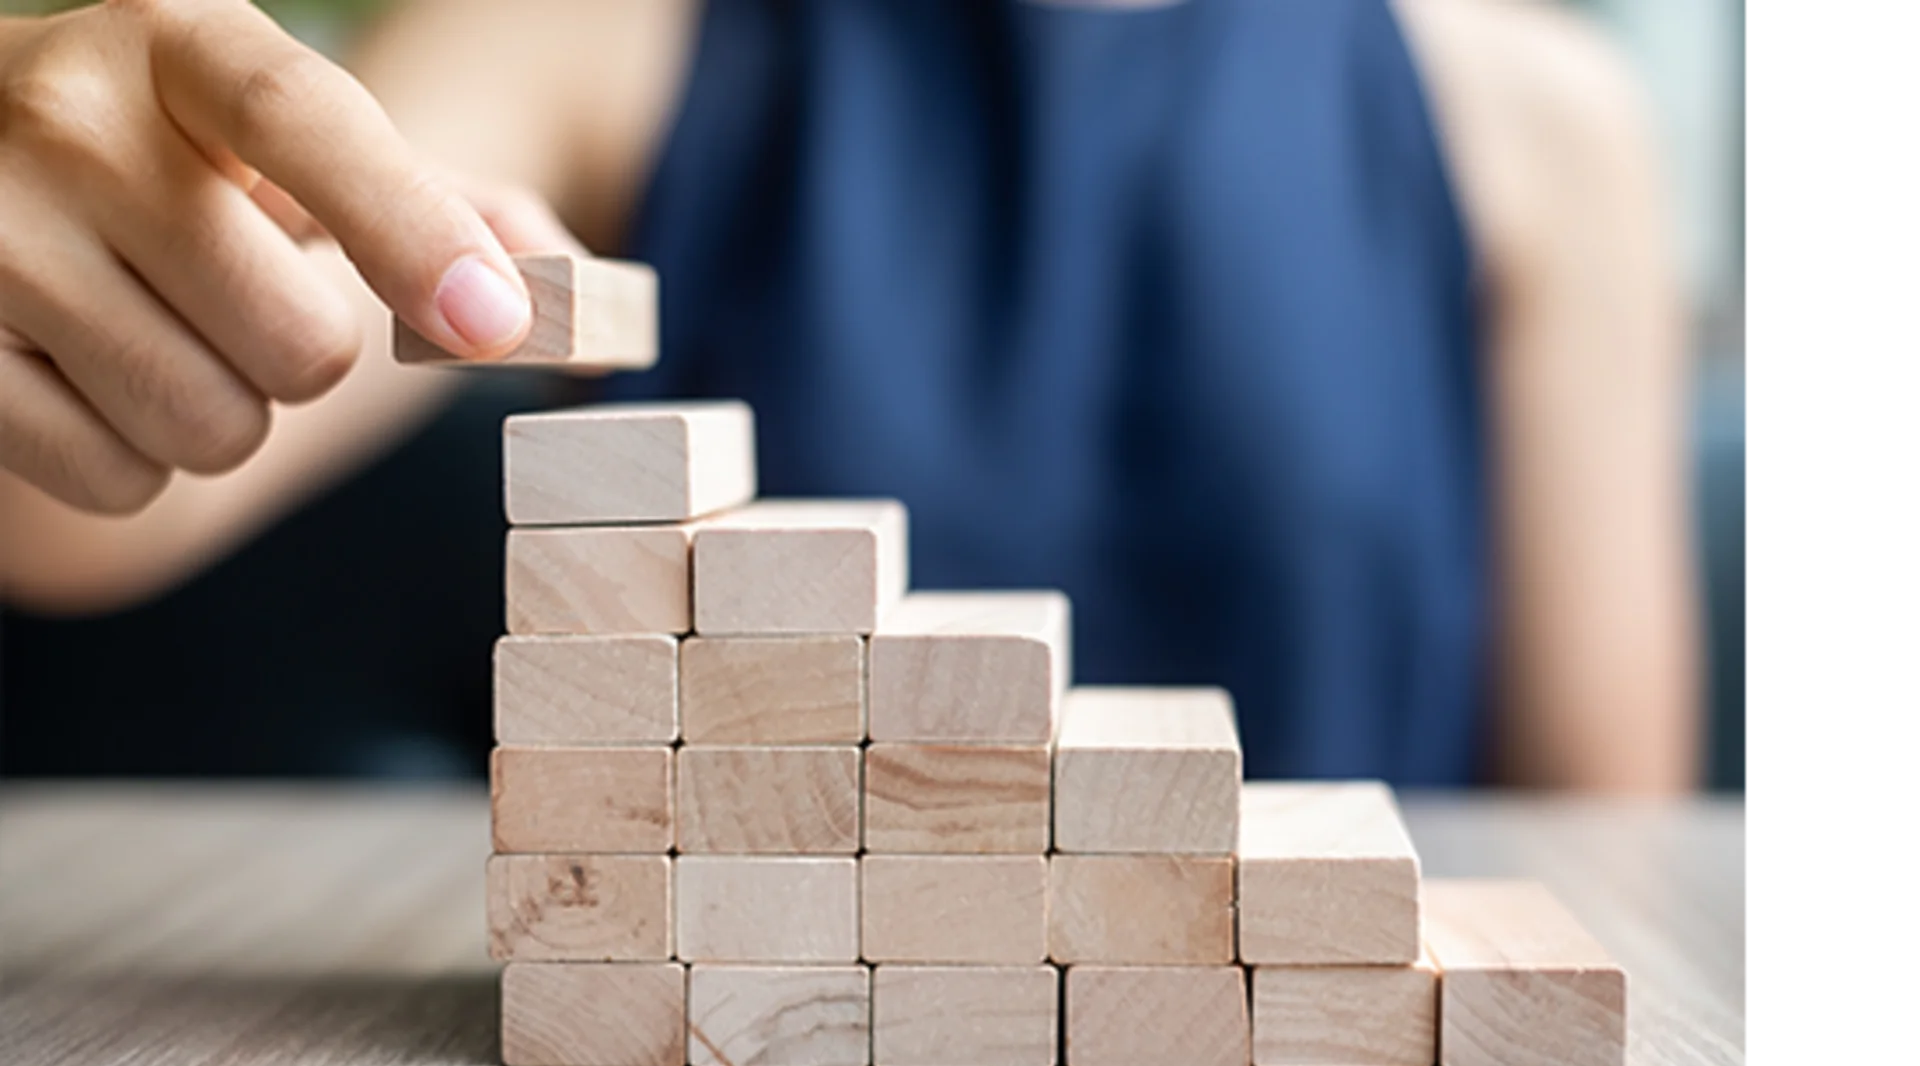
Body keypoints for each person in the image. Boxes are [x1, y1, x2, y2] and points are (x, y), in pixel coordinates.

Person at [0, 0, 1699, 788]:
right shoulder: (597, 41)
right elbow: (72, 515)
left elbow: (1605, 850)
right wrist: (71, 213)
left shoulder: (1542, 120)